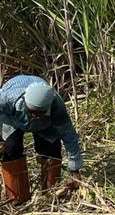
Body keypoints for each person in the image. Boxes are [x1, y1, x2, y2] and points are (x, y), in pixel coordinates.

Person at [0, 75, 83, 205]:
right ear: (24, 101)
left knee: (50, 150)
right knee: (12, 148)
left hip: (46, 124)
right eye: (32, 111)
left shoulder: (56, 106)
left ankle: (49, 196)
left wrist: (74, 170)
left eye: (40, 112)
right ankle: (16, 199)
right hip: (12, 118)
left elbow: (69, 136)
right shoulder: (6, 99)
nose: (35, 116)